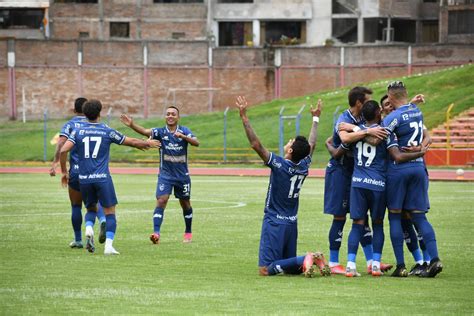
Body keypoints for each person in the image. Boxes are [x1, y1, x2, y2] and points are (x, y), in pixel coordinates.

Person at [236, 95, 330, 277]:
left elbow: (255, 144)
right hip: (291, 224)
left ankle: (307, 257)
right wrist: (315, 118)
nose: (288, 141)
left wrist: (244, 117)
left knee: (265, 269)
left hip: (274, 222)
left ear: (291, 150)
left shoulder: (279, 165)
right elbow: (311, 144)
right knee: (288, 269)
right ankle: (306, 260)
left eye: (290, 142)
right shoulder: (304, 166)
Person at [335, 100, 428, 277]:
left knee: (357, 225)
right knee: (378, 224)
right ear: (378, 113)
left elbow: (345, 140)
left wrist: (353, 128)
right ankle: (376, 265)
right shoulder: (384, 131)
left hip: (358, 184)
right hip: (378, 185)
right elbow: (385, 145)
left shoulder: (357, 131)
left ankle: (350, 265)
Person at [60, 100, 160, 255]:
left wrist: (63, 172)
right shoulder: (106, 130)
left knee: (90, 208)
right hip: (102, 178)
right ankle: (108, 247)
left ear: (84, 114)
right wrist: (147, 143)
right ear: (100, 113)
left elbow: (63, 150)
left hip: (84, 179)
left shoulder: (77, 131)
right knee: (110, 212)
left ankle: (88, 229)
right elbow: (131, 142)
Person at [323, 86, 391, 275]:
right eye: (368, 100)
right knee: (340, 216)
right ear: (359, 103)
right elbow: (344, 137)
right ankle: (333, 262)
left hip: (357, 173)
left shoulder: (361, 120)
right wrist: (362, 131)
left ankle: (370, 261)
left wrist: (358, 129)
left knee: (362, 220)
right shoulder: (344, 118)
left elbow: (360, 134)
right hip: (340, 172)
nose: (371, 103)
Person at [382, 81, 443, 277]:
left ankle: (400, 266)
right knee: (419, 216)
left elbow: (384, 141)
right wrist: (421, 149)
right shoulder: (417, 111)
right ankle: (434, 260)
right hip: (418, 167)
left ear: (390, 98)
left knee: (395, 216)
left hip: (399, 170)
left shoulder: (392, 117)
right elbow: (424, 132)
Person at [120, 106, 199, 244]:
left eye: (173, 114)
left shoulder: (184, 130)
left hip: (182, 176)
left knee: (185, 203)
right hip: (165, 175)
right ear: (165, 117)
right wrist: (132, 125)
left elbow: (196, 143)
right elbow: (145, 131)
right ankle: (156, 233)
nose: (170, 116)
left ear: (178, 117)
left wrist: (184, 137)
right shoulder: (160, 132)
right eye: (168, 114)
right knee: (161, 201)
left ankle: (188, 232)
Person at [50, 97, 106, 248]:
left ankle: (78, 240)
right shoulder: (97, 124)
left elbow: (62, 144)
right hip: (96, 171)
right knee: (95, 203)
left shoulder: (70, 125)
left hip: (76, 172)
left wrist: (58, 165)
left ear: (74, 110)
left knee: (76, 206)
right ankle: (103, 220)